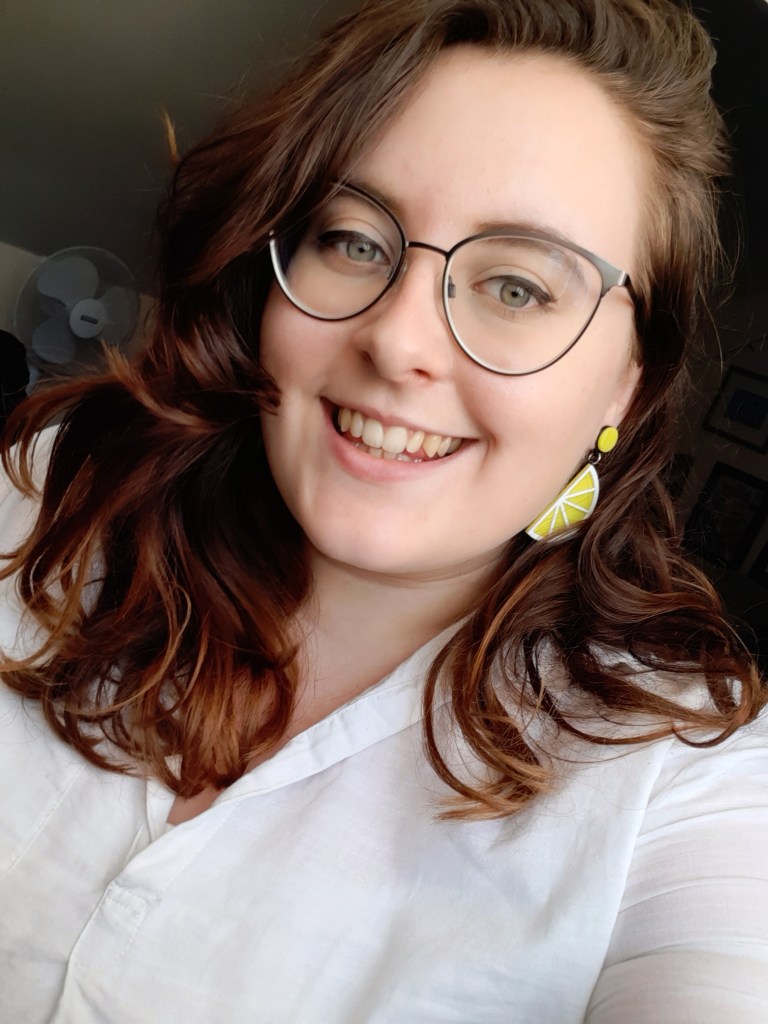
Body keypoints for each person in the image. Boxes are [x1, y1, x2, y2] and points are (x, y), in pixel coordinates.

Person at [1, 0, 766, 1020]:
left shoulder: (679, 786)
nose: (396, 340)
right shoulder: (50, 494)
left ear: (626, 382)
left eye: (519, 287)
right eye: (356, 241)